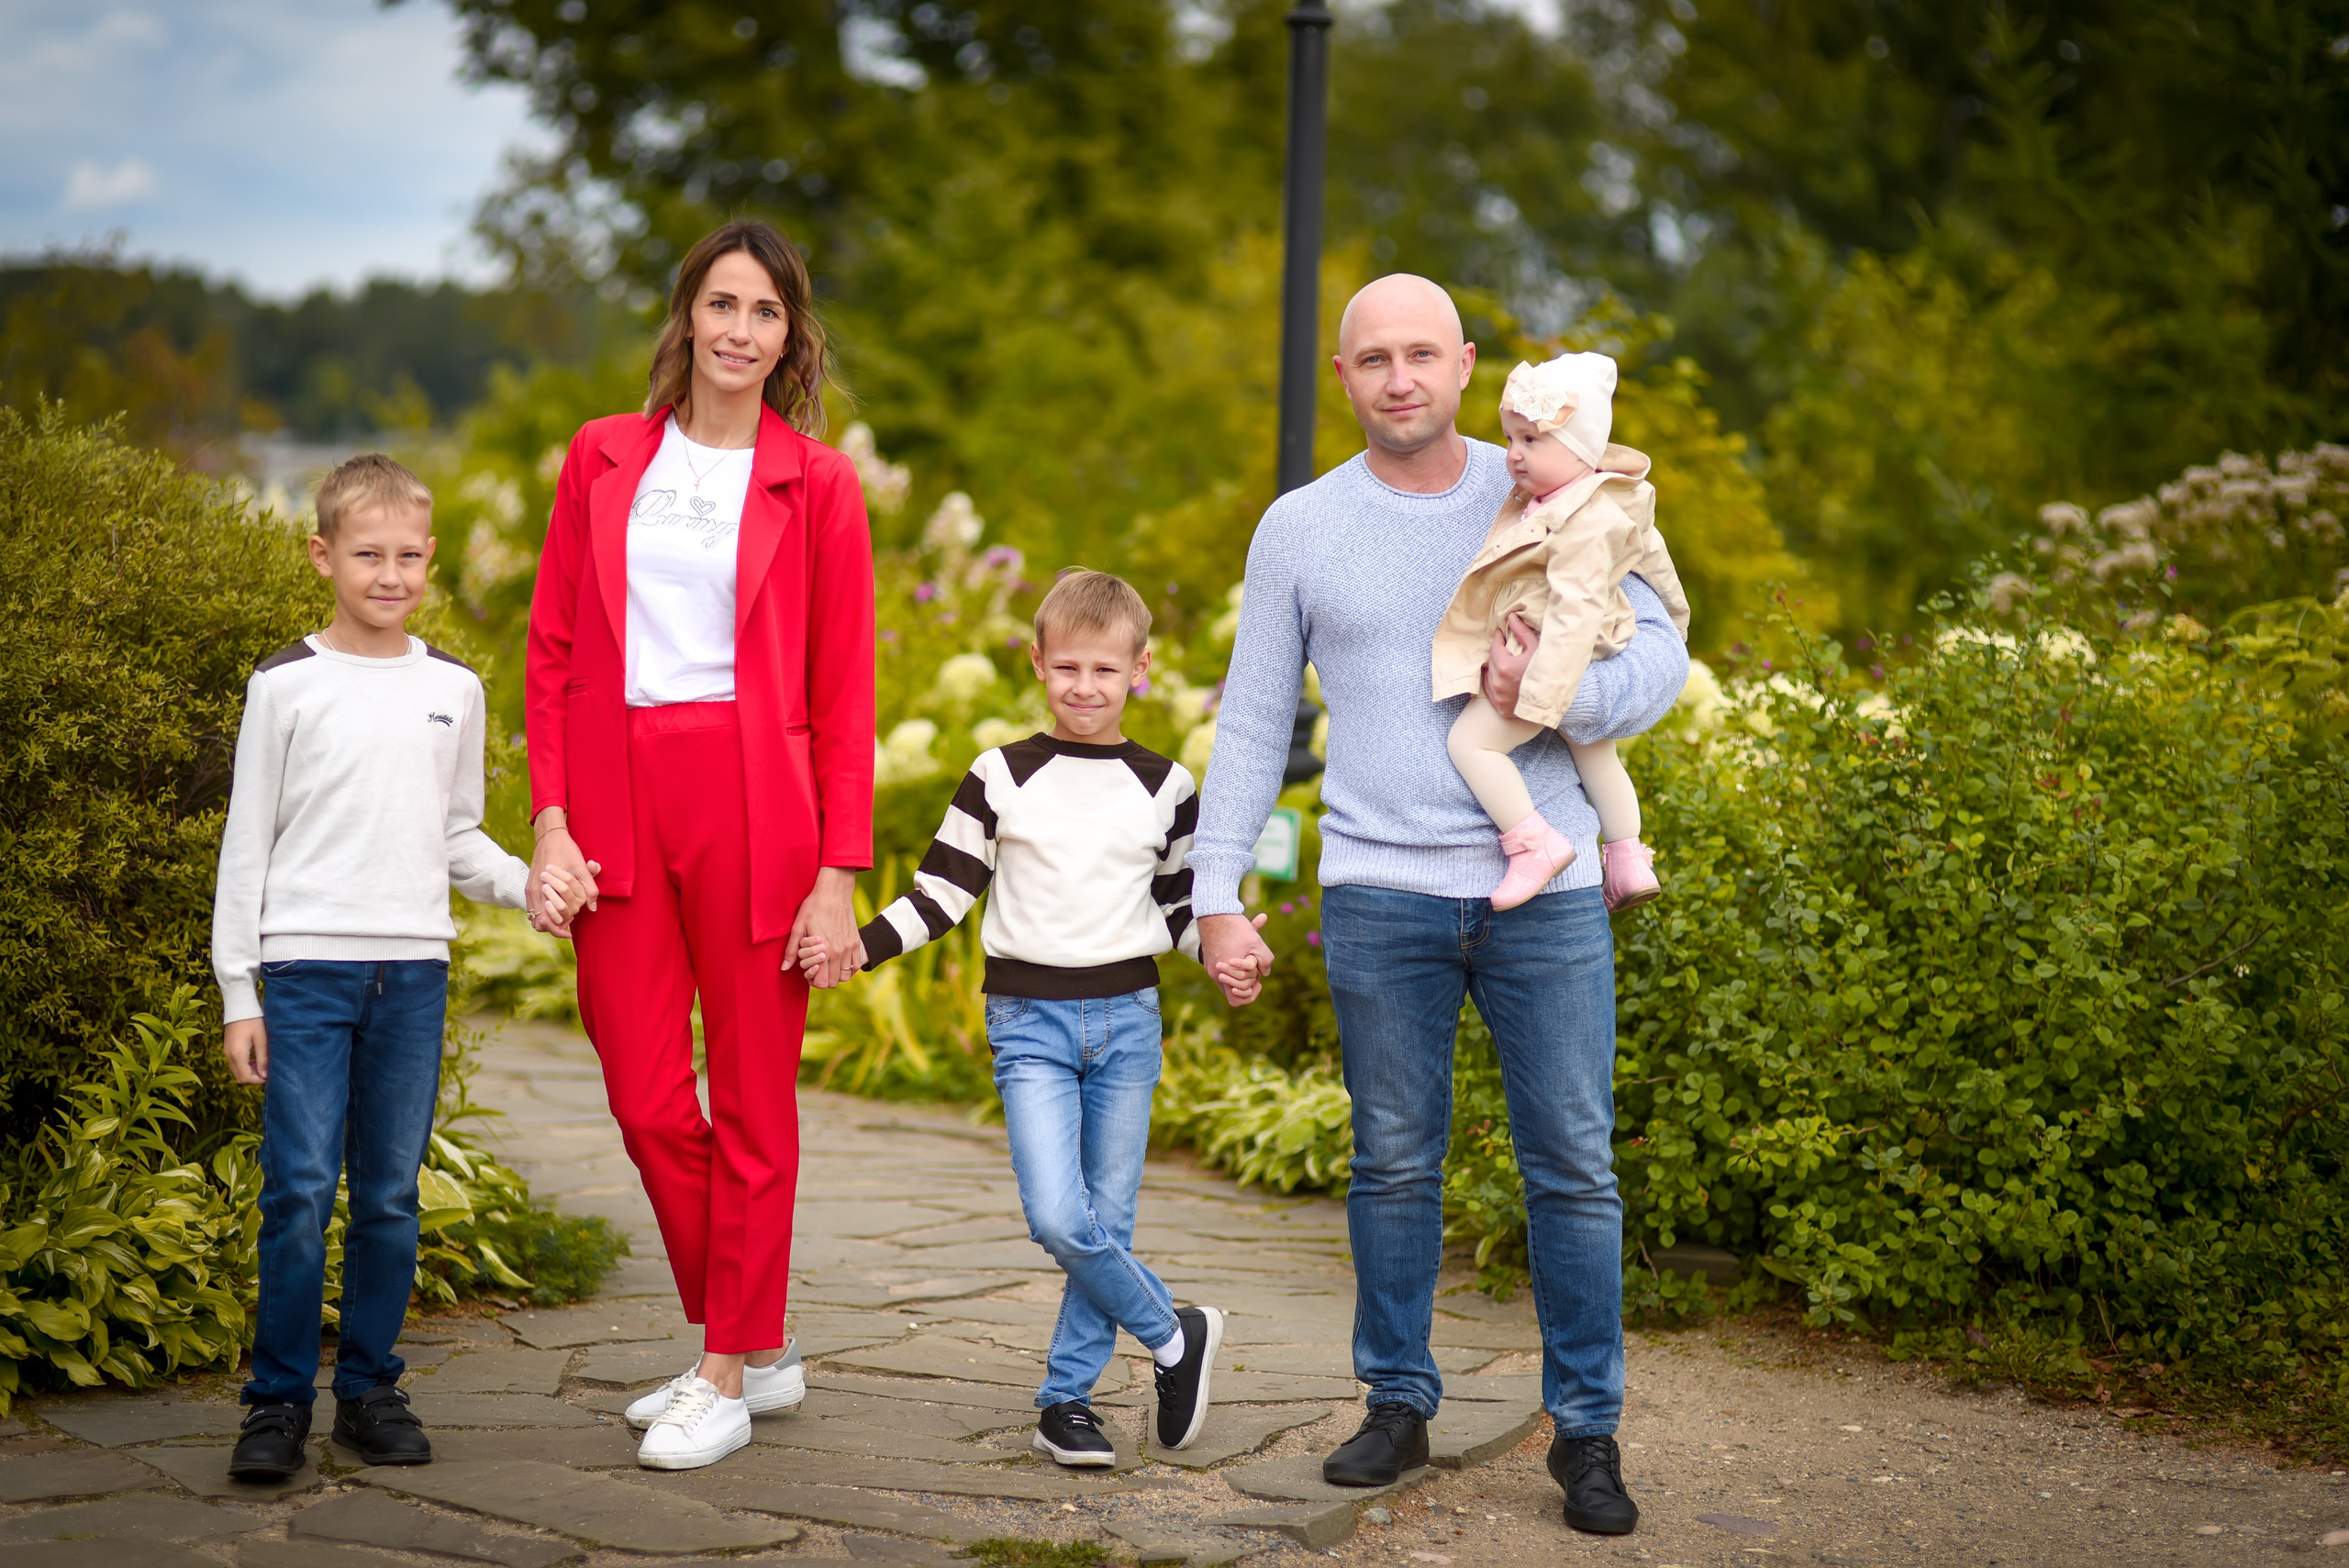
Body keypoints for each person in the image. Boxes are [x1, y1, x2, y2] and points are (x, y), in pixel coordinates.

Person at [1191, 275, 1687, 1536]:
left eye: (1422, 353)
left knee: (1572, 1169)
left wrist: (1574, 699)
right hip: (1379, 895)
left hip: (1549, 892)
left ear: (1467, 365)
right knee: (1393, 1161)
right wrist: (1216, 893)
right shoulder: (1299, 528)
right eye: (1373, 359)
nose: (1398, 377)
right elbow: (1253, 719)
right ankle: (1397, 1401)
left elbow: (1669, 645)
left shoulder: (1551, 478)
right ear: (1345, 377)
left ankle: (1588, 1435)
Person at [523, 218, 874, 1471]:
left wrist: (839, 876)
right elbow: (555, 648)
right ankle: (755, 1329)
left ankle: (725, 1370)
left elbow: (844, 691)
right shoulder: (603, 458)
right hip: (617, 788)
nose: (739, 330)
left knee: (754, 1098)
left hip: (755, 795)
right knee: (644, 1092)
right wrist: (551, 822)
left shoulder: (817, 483)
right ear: (687, 318)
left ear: (791, 336)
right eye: (722, 304)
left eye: (765, 312)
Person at [800, 571, 1252, 1469]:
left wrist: (1222, 954)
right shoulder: (1000, 774)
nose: (1085, 686)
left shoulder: (1167, 787)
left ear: (1140, 671)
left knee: (1106, 1220)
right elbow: (942, 892)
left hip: (1128, 1020)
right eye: (1068, 667)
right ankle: (1173, 1333)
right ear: (1037, 664)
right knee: (1057, 1214)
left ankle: (1065, 1401)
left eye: (1105, 669)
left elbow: (1176, 910)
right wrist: (859, 944)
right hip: (1030, 1025)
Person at [213, 454, 562, 1480]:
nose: (390, 573)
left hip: (411, 972)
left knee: (391, 1194)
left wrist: (529, 882)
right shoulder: (284, 685)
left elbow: (456, 835)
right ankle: (275, 1402)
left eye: (410, 554)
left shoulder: (455, 687)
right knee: (300, 1188)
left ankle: (368, 1388)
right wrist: (243, 987)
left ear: (432, 558)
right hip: (307, 969)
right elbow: (247, 841)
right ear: (323, 555)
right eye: (367, 553)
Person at [1433, 350, 1690, 911]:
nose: (1515, 455)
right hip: (1586, 646)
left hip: (1549, 655)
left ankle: (1533, 843)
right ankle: (1627, 857)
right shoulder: (1600, 498)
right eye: (1511, 439)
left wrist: (1539, 695)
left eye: (1532, 440)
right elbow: (1660, 568)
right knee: (1595, 749)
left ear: (1579, 447)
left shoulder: (1581, 519)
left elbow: (1573, 610)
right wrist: (1677, 617)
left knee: (1471, 742)